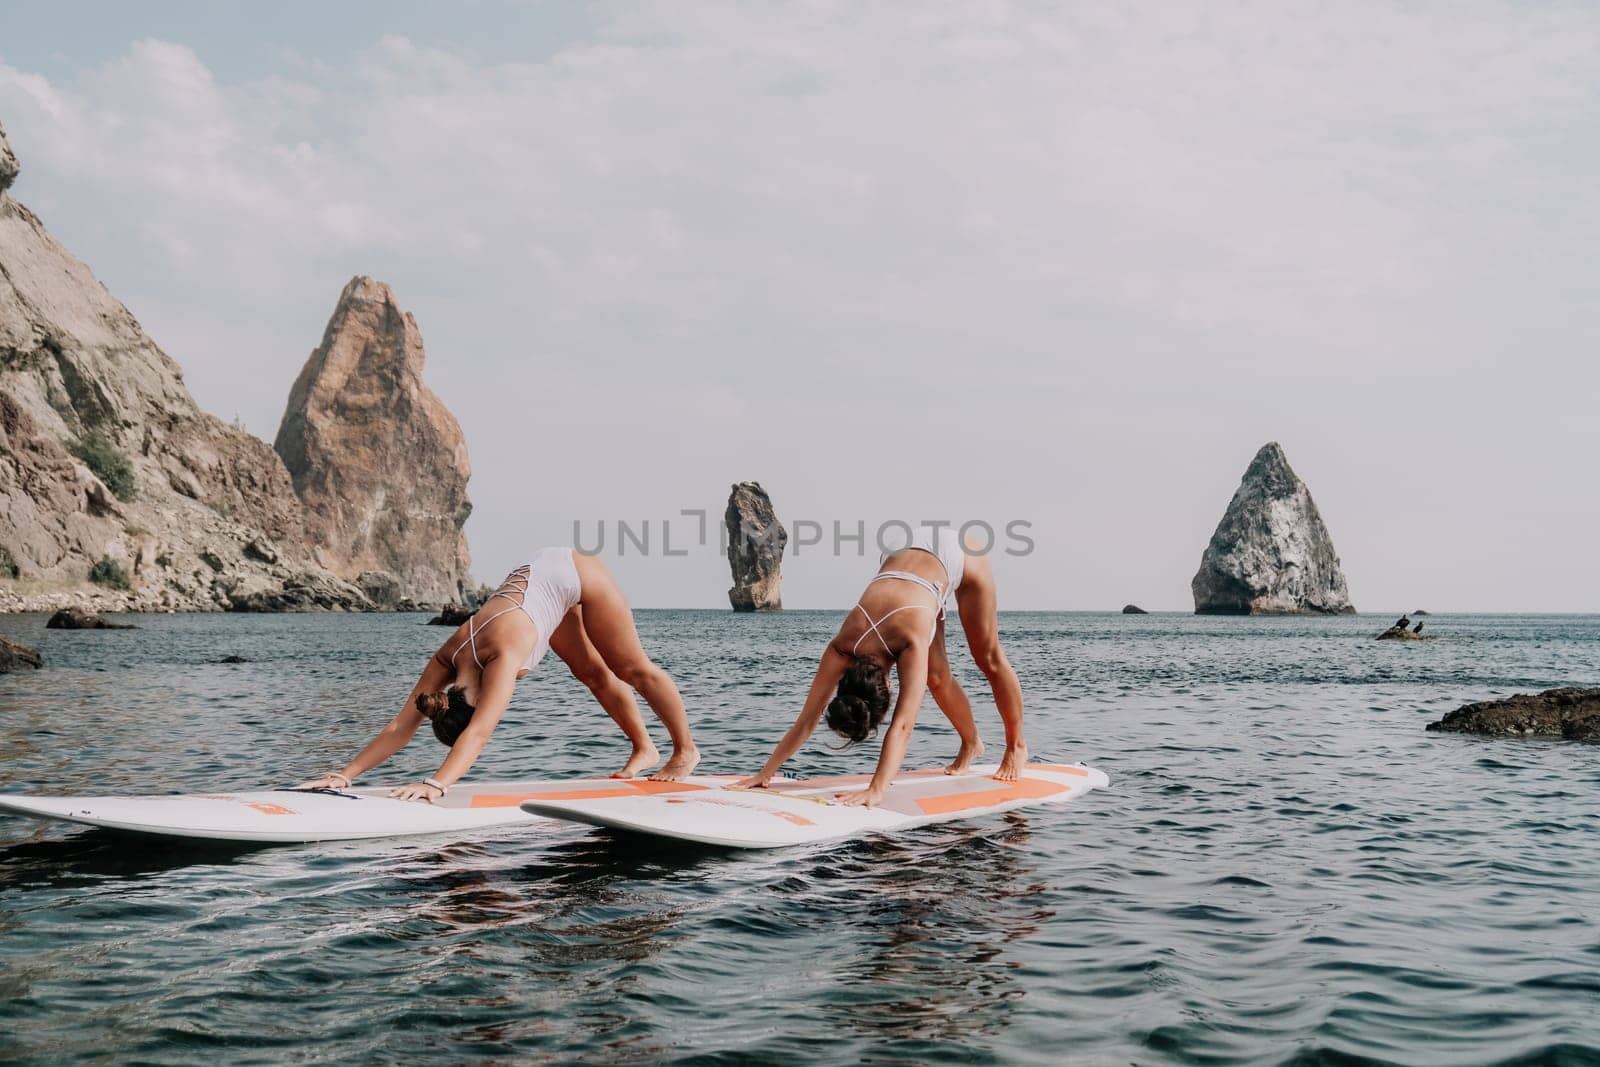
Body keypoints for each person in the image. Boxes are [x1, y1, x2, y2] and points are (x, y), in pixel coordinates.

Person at [298, 548, 700, 802]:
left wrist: (437, 784)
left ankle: (685, 751)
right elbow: (401, 726)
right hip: (538, 583)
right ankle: (644, 749)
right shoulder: (446, 660)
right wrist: (342, 775)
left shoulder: (502, 657)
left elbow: (480, 732)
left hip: (575, 572)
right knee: (591, 673)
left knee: (630, 668)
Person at [733, 526, 1027, 807]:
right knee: (937, 679)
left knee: (988, 657)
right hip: (903, 555)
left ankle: (1016, 746)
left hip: (955, 552)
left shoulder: (910, 642)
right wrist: (765, 774)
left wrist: (876, 789)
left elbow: (903, 726)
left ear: (888, 685)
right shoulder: (841, 647)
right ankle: (971, 742)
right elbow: (807, 719)